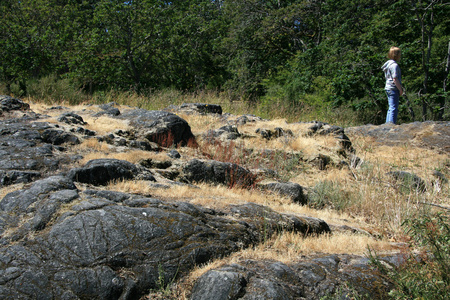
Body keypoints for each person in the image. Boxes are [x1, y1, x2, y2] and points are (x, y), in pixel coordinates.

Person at [382, 46, 404, 124]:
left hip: (388, 87)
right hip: (393, 88)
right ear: (396, 55)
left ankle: (388, 123)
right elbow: (395, 78)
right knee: (393, 108)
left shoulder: (388, 64)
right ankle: (391, 124)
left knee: (391, 107)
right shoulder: (394, 65)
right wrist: (400, 89)